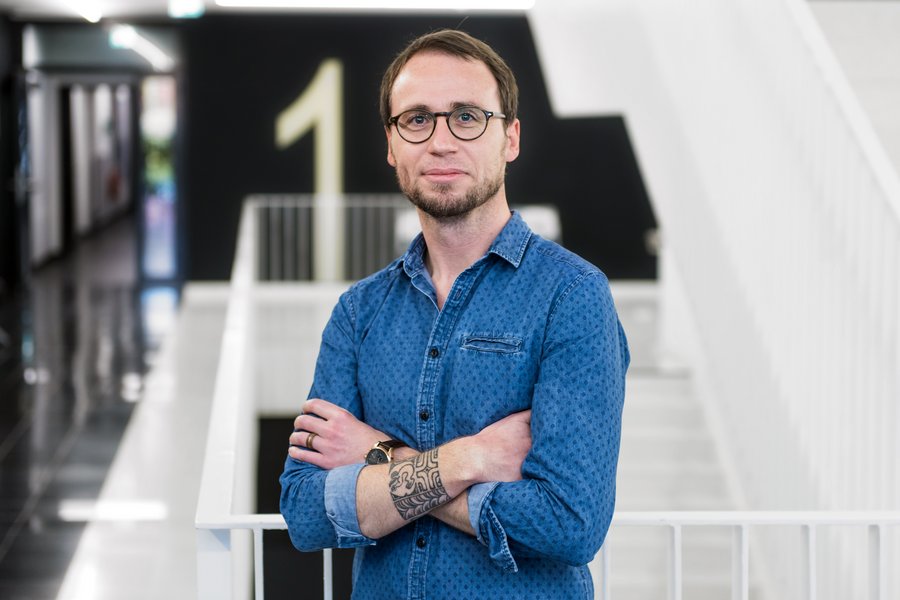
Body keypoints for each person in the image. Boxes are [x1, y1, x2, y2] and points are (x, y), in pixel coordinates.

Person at [280, 29, 629, 599]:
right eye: (416, 119)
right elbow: (305, 510)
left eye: (467, 117)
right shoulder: (358, 313)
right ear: (392, 145)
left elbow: (570, 524)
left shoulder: (572, 296)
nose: (441, 141)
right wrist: (475, 457)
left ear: (510, 137)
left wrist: (379, 456)